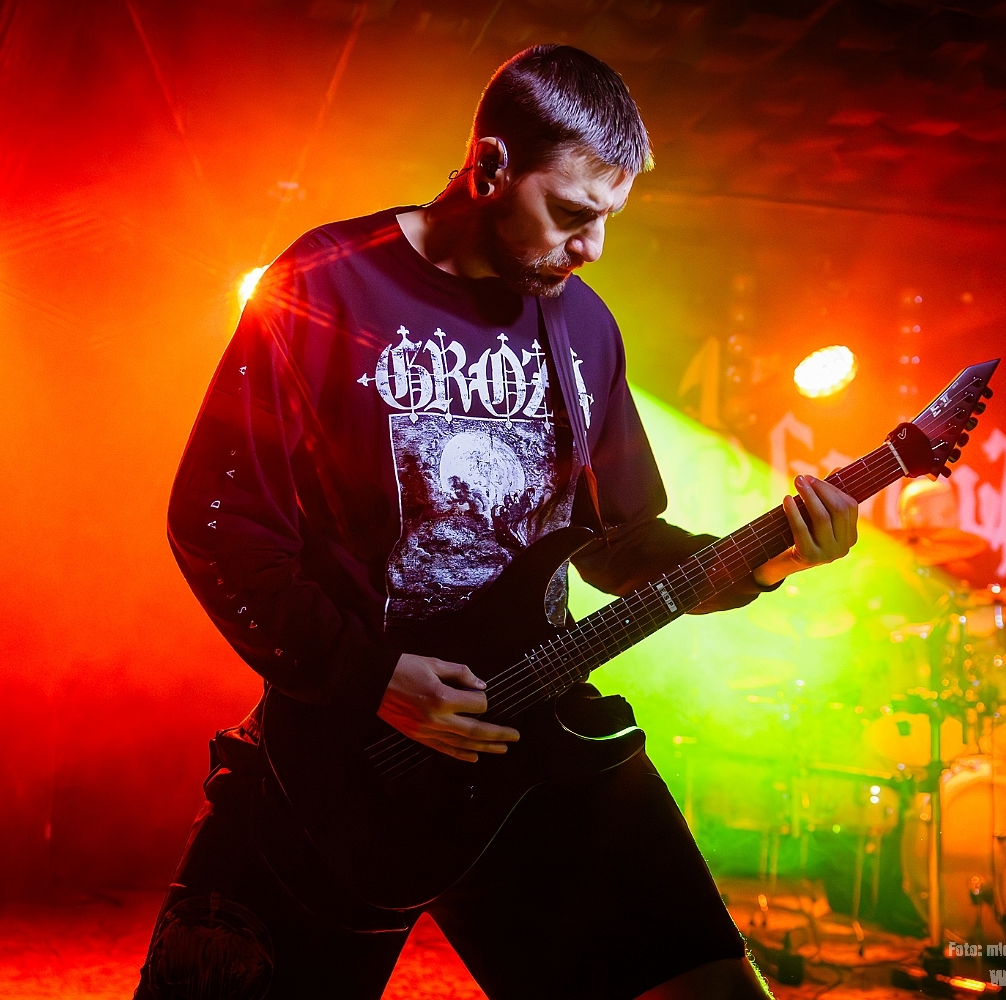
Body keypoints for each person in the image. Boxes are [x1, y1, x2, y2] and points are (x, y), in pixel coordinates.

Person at [139, 44, 860, 1000]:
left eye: (608, 219)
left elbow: (621, 544)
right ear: (488, 168)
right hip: (344, 759)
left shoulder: (586, 328)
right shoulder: (326, 282)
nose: (592, 248)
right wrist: (368, 678)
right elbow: (220, 518)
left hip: (537, 734)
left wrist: (768, 561)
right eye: (572, 213)